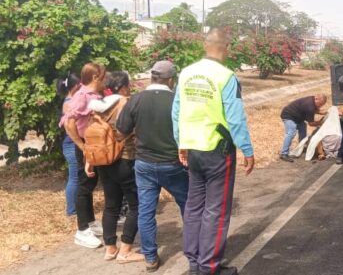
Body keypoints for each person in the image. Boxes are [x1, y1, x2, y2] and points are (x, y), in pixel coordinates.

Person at [173, 28, 255, 275]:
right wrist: (247, 149)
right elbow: (235, 117)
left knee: (194, 206)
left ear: (205, 45)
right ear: (225, 47)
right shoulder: (226, 76)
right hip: (217, 150)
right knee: (216, 211)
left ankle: (194, 261)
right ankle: (209, 267)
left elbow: (176, 112)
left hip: (193, 149)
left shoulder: (186, 73)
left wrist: (181, 142)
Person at [117, 60, 190, 272]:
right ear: (171, 80)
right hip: (173, 164)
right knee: (187, 204)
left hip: (144, 164)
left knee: (146, 211)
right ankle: (193, 247)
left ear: (152, 77)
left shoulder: (136, 100)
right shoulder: (178, 100)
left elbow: (121, 132)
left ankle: (150, 258)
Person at [87, 71, 143, 263]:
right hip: (125, 158)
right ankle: (126, 249)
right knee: (137, 205)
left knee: (111, 205)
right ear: (124, 86)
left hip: (103, 160)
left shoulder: (97, 107)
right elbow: (135, 130)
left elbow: (94, 136)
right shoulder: (125, 103)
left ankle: (110, 248)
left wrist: (89, 160)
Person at [59, 62, 106, 248]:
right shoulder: (82, 96)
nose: (105, 80)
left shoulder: (92, 95)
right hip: (84, 145)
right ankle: (82, 230)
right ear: (95, 78)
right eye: (103, 76)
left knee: (91, 182)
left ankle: (92, 223)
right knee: (84, 185)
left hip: (91, 144)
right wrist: (81, 145)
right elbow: (69, 122)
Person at [57, 73, 81, 217]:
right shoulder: (69, 103)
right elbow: (70, 128)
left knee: (78, 177)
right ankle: (71, 211)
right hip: (71, 145)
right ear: (77, 86)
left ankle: (76, 208)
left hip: (74, 144)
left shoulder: (73, 100)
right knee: (74, 177)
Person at [279, 94, 327, 162]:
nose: (320, 106)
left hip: (297, 117)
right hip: (288, 115)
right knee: (291, 131)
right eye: (320, 104)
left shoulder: (313, 100)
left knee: (303, 127)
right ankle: (284, 153)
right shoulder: (309, 106)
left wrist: (323, 113)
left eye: (322, 105)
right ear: (316, 99)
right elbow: (311, 123)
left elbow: (315, 110)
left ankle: (302, 146)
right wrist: (320, 122)